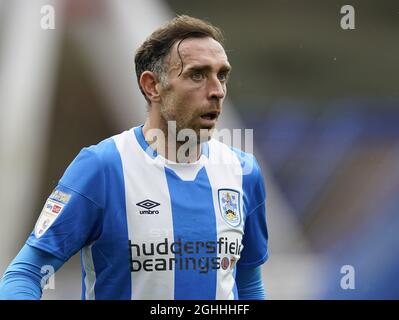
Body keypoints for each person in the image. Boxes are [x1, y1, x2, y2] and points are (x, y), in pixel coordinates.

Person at [0, 15, 268, 300]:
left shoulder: (244, 172)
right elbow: (27, 272)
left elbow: (249, 285)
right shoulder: (103, 167)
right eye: (197, 75)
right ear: (152, 86)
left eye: (222, 75)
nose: (217, 90)